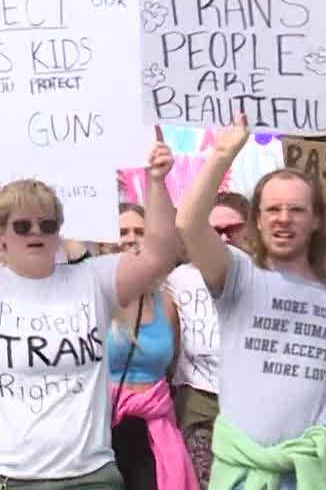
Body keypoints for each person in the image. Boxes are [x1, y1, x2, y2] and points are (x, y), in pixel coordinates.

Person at [175, 114, 326, 490]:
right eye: (272, 210)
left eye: (296, 210)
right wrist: (224, 152)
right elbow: (188, 224)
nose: (283, 219)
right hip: (248, 474)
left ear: (315, 220)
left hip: (315, 475)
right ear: (257, 221)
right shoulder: (238, 275)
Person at [0, 129, 179, 489]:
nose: (36, 230)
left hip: (93, 475)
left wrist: (156, 180)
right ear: (2, 236)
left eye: (47, 224)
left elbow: (159, 255)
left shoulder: (92, 279)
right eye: (23, 225)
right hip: (16, 477)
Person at [102, 203, 195, 490]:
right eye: (122, 231)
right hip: (103, 427)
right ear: (105, 242)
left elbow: (171, 364)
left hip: (155, 429)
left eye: (140, 231)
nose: (131, 238)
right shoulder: (93, 297)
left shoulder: (166, 302)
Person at [166, 191, 251, 489]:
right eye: (215, 231)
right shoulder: (178, 279)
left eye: (233, 229)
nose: (224, 239)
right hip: (199, 400)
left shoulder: (266, 276)